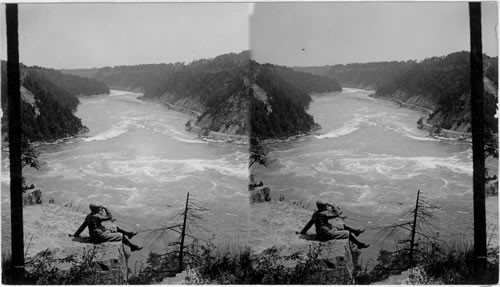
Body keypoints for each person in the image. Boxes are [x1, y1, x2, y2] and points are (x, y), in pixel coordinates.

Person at [299, 200, 369, 249]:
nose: (327, 206)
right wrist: (333, 205)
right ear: (323, 207)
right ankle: (359, 244)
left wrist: (303, 232)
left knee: (341, 225)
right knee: (347, 233)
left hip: (324, 231)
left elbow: (310, 223)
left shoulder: (316, 213)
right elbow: (337, 214)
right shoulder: (324, 213)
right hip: (327, 234)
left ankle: (355, 232)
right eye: (326, 205)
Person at [72, 203, 142, 251]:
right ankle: (132, 246)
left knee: (114, 227)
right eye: (99, 208)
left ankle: (128, 234)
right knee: (120, 235)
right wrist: (106, 208)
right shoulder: (97, 216)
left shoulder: (88, 217)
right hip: (100, 236)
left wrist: (75, 235)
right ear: (97, 209)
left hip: (95, 234)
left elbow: (82, 227)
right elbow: (110, 217)